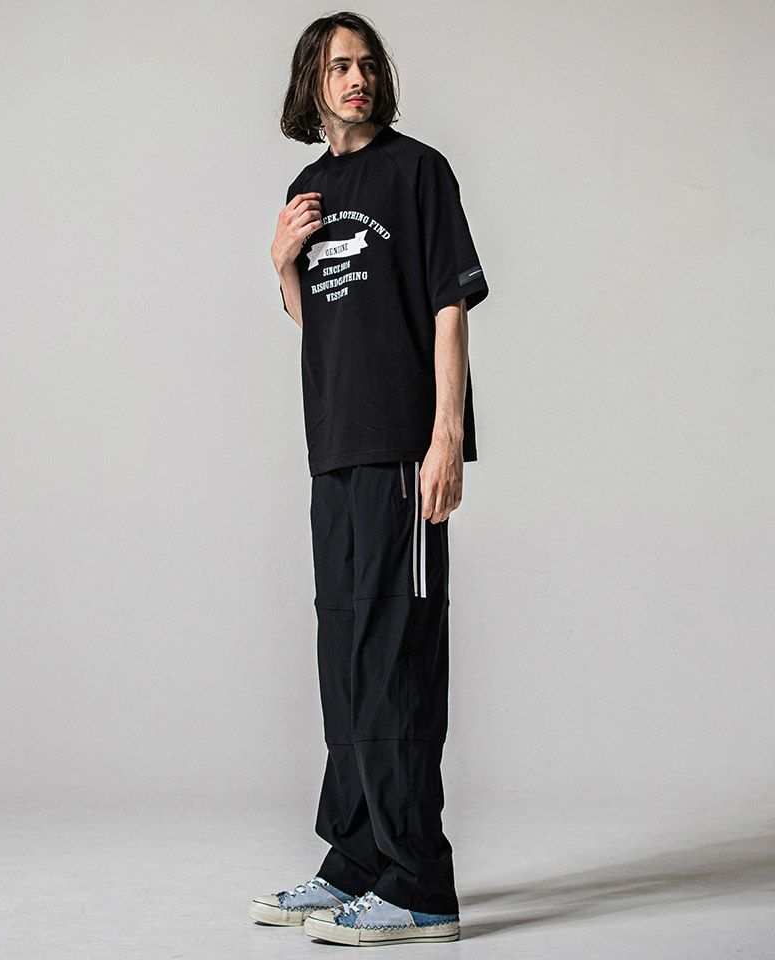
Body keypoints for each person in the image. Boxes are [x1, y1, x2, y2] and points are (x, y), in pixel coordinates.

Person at [250, 11, 489, 947]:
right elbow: (326, 325)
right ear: (310, 84)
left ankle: (419, 882)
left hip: (401, 452)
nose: (358, 79)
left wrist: (445, 436)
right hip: (336, 453)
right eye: (339, 67)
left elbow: (448, 305)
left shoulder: (418, 172)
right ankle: (355, 859)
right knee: (346, 659)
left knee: (395, 661)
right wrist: (282, 266)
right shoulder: (306, 190)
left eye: (367, 64)